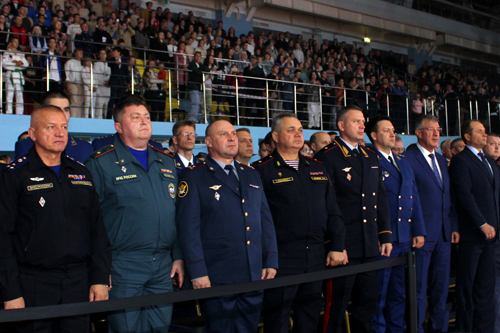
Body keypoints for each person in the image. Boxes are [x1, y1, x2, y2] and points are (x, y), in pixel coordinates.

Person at [0, 105, 111, 332]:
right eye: (51, 127)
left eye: (64, 127)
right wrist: (10, 292)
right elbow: (2, 238)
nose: (60, 133)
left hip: (78, 283)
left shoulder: (81, 173)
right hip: (33, 283)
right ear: (32, 134)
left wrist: (99, 278)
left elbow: (97, 229)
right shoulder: (15, 176)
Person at [85, 95, 184, 333]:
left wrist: (178, 256)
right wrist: (99, 271)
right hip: (123, 265)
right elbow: (90, 223)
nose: (144, 122)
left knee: (161, 329)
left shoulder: (166, 161)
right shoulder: (101, 163)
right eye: (135, 117)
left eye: (147, 117)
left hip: (163, 265)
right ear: (119, 127)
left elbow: (177, 213)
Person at [175, 120, 278, 332]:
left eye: (233, 134)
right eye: (224, 134)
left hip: (253, 270)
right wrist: (197, 271)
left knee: (249, 328)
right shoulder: (195, 175)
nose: (232, 138)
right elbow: (188, 228)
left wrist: (270, 259)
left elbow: (264, 220)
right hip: (217, 274)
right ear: (209, 142)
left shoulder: (250, 173)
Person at [254, 113, 345, 332]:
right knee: (278, 320)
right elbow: (257, 220)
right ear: (275, 136)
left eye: (300, 130)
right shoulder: (261, 170)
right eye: (291, 130)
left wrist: (337, 246)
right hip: (281, 258)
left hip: (315, 255)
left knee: (309, 317)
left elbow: (333, 211)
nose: (298, 134)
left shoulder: (317, 167)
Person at [315, 105, 393, 332]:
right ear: (341, 125)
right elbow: (327, 205)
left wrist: (385, 234)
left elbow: (380, 198)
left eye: (363, 121)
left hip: (369, 244)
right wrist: (335, 244)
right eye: (356, 121)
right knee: (335, 308)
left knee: (366, 306)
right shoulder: (327, 157)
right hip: (344, 247)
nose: (362, 126)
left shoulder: (370, 155)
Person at [365, 116, 426, 333]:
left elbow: (413, 196)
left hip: (404, 238)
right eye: (386, 130)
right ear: (373, 135)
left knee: (400, 293)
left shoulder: (402, 161)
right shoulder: (368, 159)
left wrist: (418, 229)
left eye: (393, 130)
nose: (392, 134)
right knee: (379, 293)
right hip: (384, 238)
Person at [404, 114, 459, 333]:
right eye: (431, 129)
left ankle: (439, 328)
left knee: (440, 288)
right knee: (418, 289)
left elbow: (449, 196)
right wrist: (416, 230)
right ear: (418, 133)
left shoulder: (441, 160)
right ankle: (416, 328)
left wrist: (453, 226)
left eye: (439, 129)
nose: (436, 133)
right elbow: (410, 198)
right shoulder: (408, 159)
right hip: (422, 235)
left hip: (444, 235)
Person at [450, 120, 499, 333]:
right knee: (467, 289)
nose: (484, 134)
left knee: (486, 290)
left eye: (485, 131)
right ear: (467, 136)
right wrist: (482, 223)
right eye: (479, 131)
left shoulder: (490, 161)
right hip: (473, 236)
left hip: (493, 238)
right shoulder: (461, 160)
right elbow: (464, 195)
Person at [15, 91, 93, 163]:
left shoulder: (84, 147)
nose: (62, 114)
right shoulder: (25, 145)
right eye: (56, 109)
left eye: (66, 110)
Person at [3, 37, 28, 114]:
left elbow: (26, 64)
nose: (16, 43)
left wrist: (21, 63)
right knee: (9, 94)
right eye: (14, 42)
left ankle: (19, 112)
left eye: (17, 42)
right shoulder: (7, 53)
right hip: (10, 75)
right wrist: (14, 63)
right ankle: (8, 112)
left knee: (19, 95)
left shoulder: (20, 53)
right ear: (10, 43)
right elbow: (4, 64)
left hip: (18, 75)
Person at [187, 51, 209, 122]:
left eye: (199, 56)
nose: (198, 57)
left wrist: (201, 70)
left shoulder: (200, 65)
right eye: (196, 56)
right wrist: (201, 71)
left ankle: (194, 118)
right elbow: (197, 72)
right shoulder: (192, 64)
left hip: (199, 86)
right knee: (195, 103)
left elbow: (207, 70)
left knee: (198, 103)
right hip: (193, 86)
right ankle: (191, 118)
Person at [64, 48, 85, 118]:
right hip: (73, 83)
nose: (81, 54)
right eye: (79, 52)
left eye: (82, 52)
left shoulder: (83, 63)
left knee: (80, 102)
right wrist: (68, 85)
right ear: (75, 53)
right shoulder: (70, 62)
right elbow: (67, 75)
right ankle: (73, 117)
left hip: (82, 84)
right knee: (74, 101)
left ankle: (79, 117)